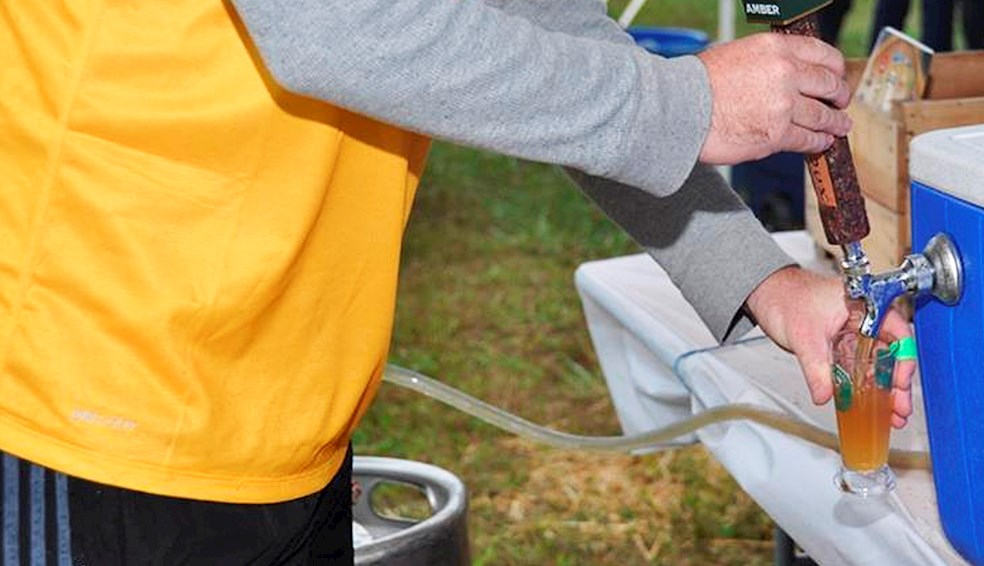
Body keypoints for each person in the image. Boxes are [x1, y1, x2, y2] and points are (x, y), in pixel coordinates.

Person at [0, 0, 918, 563]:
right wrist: (685, 105)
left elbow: (542, 27)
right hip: (93, 392)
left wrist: (767, 281)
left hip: (277, 412)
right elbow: (331, 24)